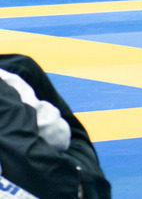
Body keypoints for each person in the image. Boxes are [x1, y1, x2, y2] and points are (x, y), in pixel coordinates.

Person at [0, 54, 111, 198]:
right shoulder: (8, 79)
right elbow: (57, 134)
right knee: (72, 137)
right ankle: (84, 187)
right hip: (55, 185)